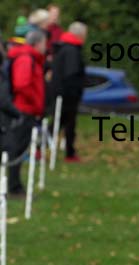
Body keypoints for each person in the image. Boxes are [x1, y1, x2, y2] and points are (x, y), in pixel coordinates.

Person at [3, 29, 46, 197]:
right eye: (43, 43)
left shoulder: (31, 58)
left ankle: (15, 184)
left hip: (27, 108)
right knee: (17, 149)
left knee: (20, 148)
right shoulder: (26, 59)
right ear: (37, 43)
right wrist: (34, 102)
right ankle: (13, 186)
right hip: (23, 109)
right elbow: (22, 84)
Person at [51, 21, 86, 162]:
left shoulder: (64, 48)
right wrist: (75, 92)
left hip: (63, 93)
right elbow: (71, 74)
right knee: (66, 124)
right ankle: (69, 153)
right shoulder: (71, 50)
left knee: (60, 122)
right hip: (67, 95)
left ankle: (69, 152)